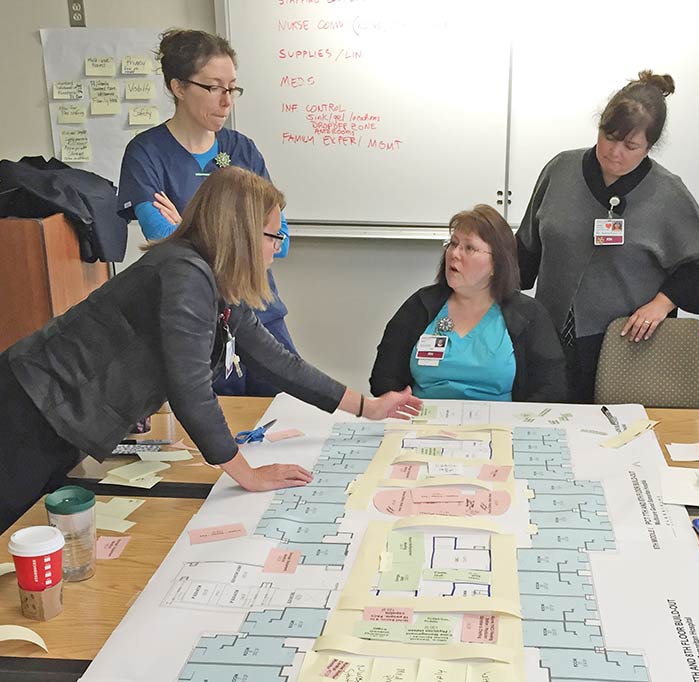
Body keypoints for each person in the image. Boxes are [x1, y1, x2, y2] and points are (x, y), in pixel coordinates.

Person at [0, 167, 421, 533]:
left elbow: (276, 360)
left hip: (55, 413)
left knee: (33, 526)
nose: (278, 246)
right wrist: (246, 474)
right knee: (13, 525)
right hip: (29, 409)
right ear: (240, 232)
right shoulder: (185, 273)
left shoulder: (213, 278)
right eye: (274, 235)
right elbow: (190, 389)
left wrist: (366, 407)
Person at [517, 70, 699, 403]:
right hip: (550, 335)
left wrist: (661, 304)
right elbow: (526, 246)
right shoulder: (560, 169)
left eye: (630, 145)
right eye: (608, 137)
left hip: (623, 344)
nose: (614, 152)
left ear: (649, 146)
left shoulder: (668, 192)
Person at [118, 28, 294, 397]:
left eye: (232, 88)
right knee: (213, 428)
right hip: (196, 319)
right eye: (214, 87)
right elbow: (163, 244)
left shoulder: (242, 150)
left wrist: (186, 226)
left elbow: (280, 242)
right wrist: (242, 236)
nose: (227, 101)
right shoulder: (146, 152)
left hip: (258, 310)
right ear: (178, 87)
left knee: (285, 411)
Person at [370, 204, 567, 403]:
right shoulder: (420, 306)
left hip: (500, 426)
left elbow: (553, 387)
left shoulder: (528, 314)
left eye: (469, 248)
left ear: (497, 264)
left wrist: (516, 421)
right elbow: (383, 378)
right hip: (424, 423)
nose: (454, 254)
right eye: (453, 244)